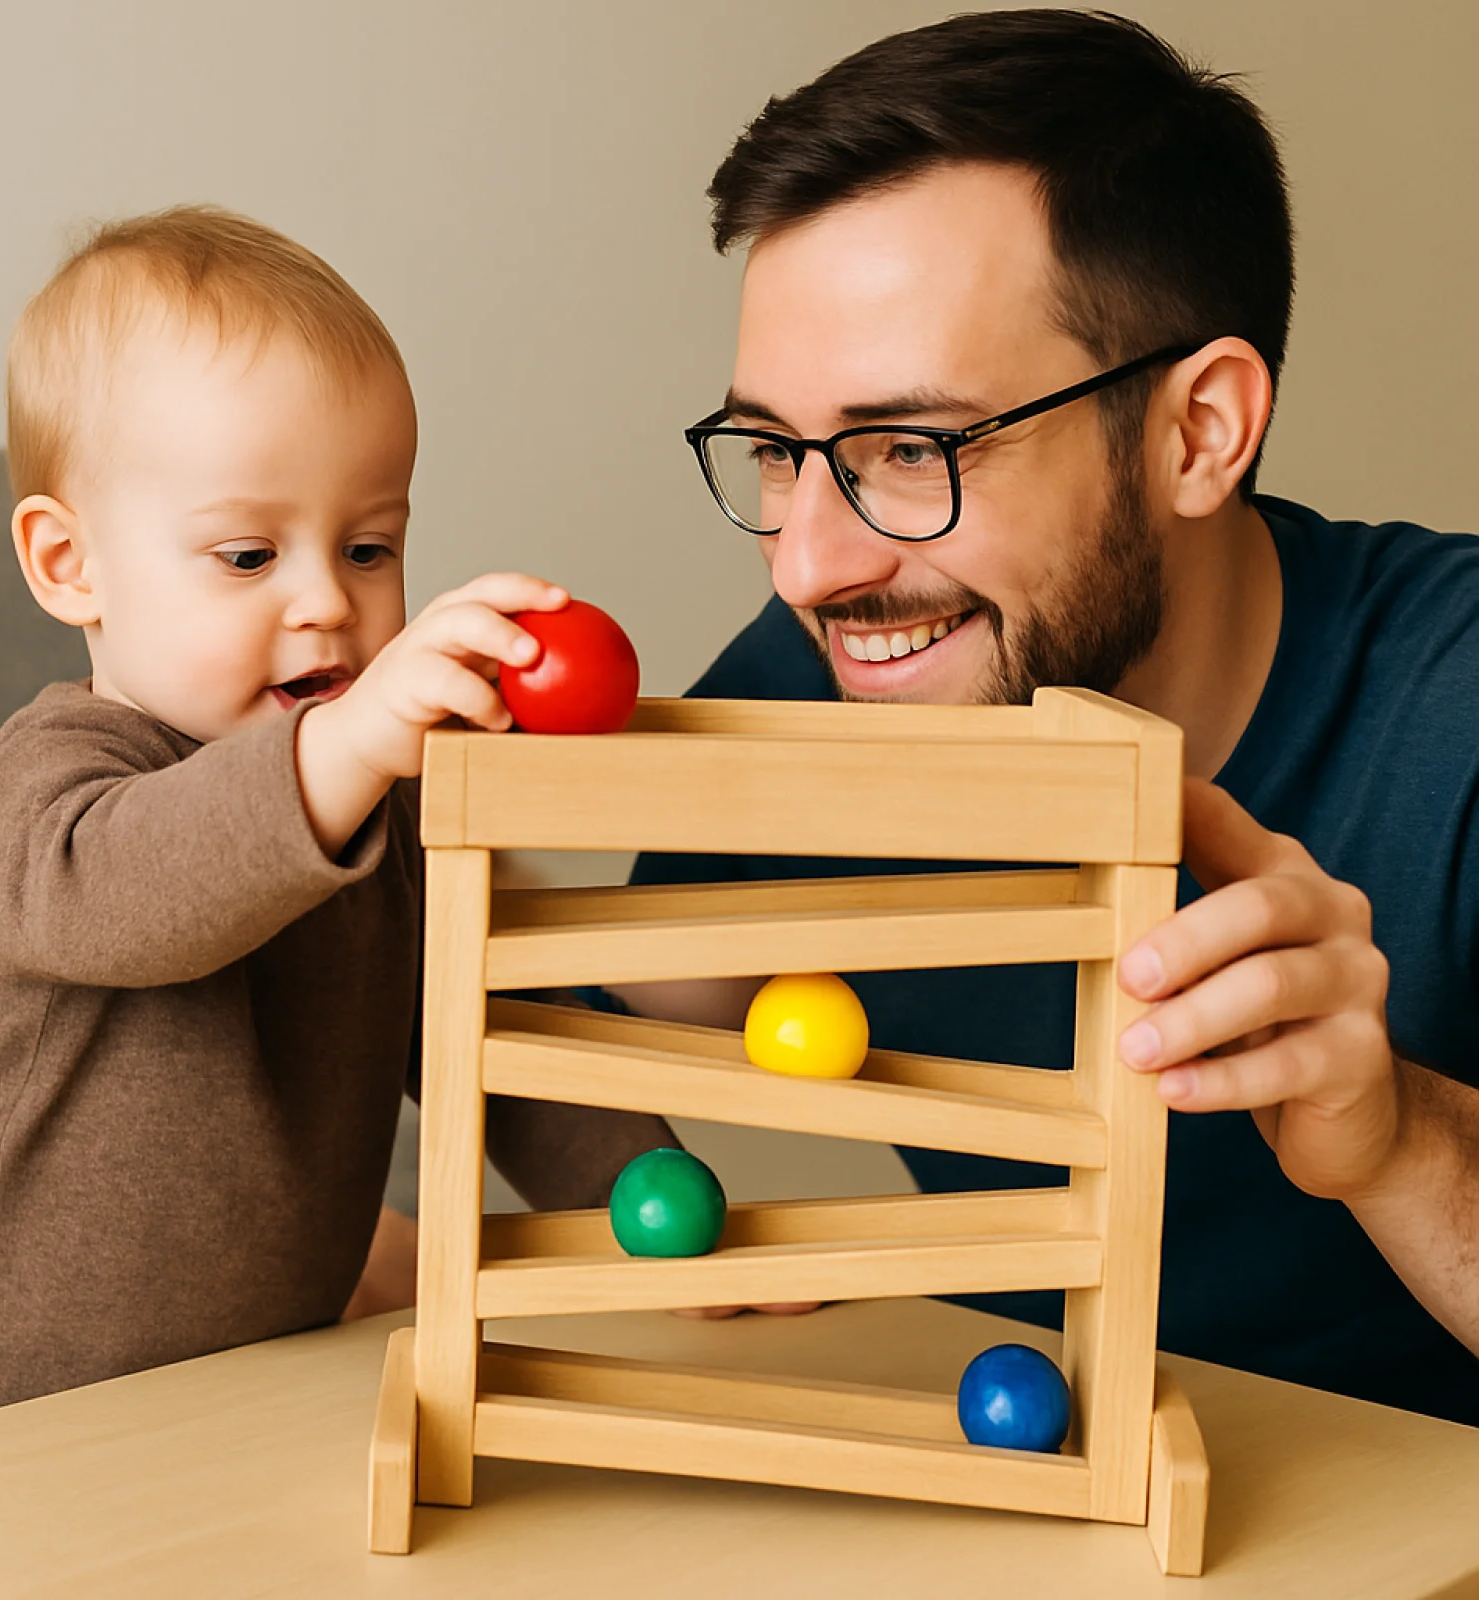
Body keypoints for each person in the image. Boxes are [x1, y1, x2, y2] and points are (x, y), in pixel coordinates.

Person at [603, 10, 1479, 1424]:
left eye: (916, 449)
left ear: (1199, 431)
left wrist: (1398, 1143)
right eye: (776, 452)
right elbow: (611, 1007)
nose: (810, 564)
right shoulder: (830, 665)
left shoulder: (1458, 702)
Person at [0, 206, 669, 1428]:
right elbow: (141, 899)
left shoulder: (379, 804)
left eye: (367, 547)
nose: (328, 604)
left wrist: (646, 1200)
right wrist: (344, 745)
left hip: (246, 1388)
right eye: (250, 557)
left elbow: (483, 1028)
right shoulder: (50, 778)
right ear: (67, 565)